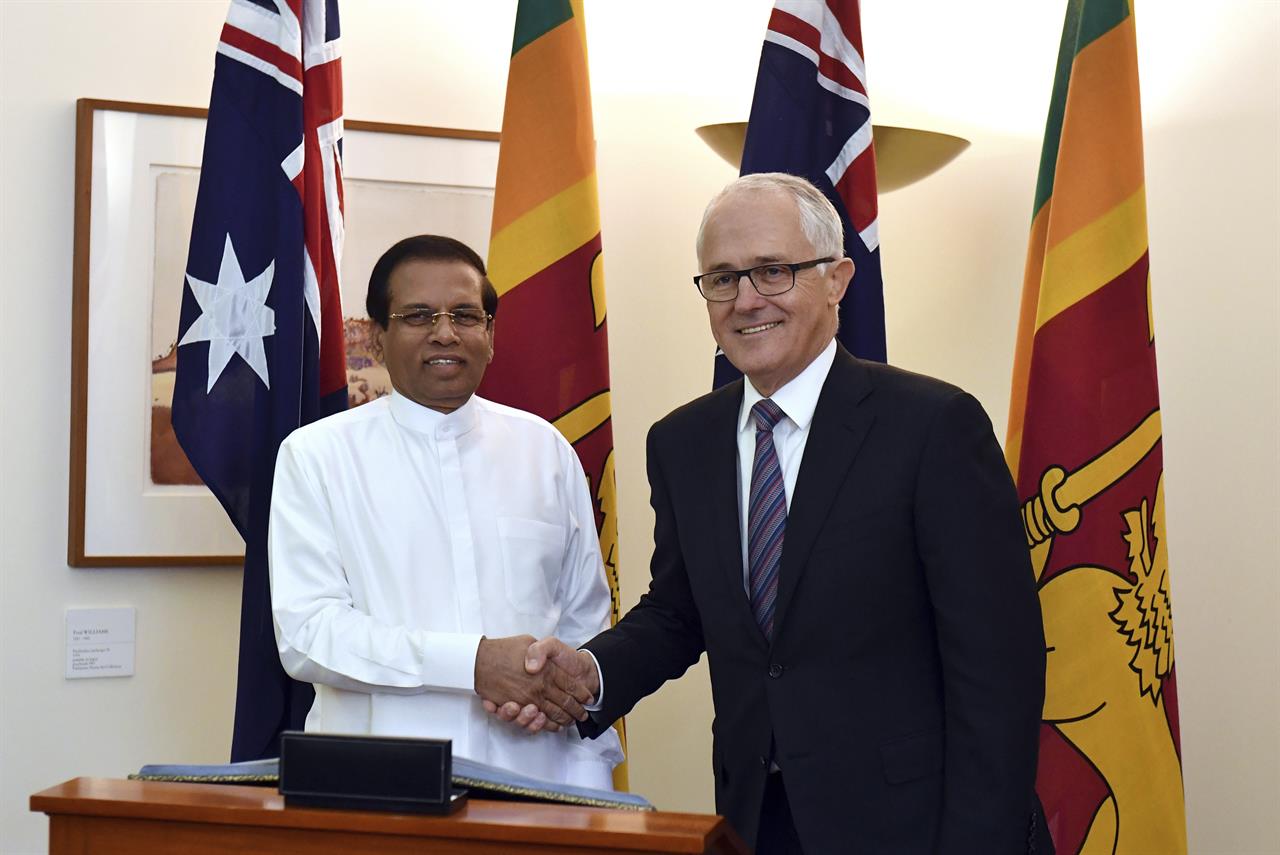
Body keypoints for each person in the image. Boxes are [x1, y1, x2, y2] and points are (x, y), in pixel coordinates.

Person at [495, 174, 1047, 851]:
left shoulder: (933, 427)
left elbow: (998, 668)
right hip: (757, 818)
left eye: (773, 270)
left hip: (915, 823)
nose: (746, 299)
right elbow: (679, 611)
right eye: (723, 278)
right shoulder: (682, 442)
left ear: (837, 280)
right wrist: (593, 672)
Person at [268, 234, 621, 788]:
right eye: (417, 316)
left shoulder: (545, 450)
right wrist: (472, 664)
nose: (445, 333)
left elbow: (585, 620)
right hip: (379, 786)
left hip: (538, 776)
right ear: (377, 338)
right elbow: (309, 634)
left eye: (465, 315)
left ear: (491, 335)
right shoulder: (316, 456)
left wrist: (558, 693)